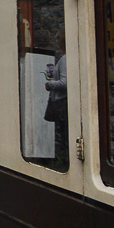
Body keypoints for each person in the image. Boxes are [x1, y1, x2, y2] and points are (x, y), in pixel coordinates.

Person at [43, 28, 68, 169]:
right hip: (63, 102)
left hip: (61, 102)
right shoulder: (67, 58)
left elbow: (65, 83)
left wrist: (50, 84)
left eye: (58, 39)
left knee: (65, 138)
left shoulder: (64, 59)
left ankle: (65, 165)